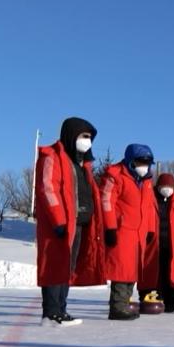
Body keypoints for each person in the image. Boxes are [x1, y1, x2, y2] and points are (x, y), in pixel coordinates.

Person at [33, 117, 106, 326]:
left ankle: (60, 310)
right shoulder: (53, 157)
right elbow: (48, 189)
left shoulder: (82, 163)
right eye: (84, 136)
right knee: (54, 266)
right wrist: (58, 220)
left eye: (90, 138)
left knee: (67, 268)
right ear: (71, 135)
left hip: (79, 223)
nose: (87, 141)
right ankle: (51, 313)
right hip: (60, 225)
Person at [101, 144, 158, 320]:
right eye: (141, 162)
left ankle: (124, 304)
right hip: (122, 231)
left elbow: (148, 207)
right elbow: (106, 201)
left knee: (133, 270)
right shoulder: (116, 175)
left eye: (148, 163)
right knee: (121, 269)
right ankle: (117, 307)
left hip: (139, 233)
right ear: (131, 161)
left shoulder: (146, 182)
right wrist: (110, 227)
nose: (145, 166)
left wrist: (149, 229)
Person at [146, 173, 174, 313]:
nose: (167, 189)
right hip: (154, 245)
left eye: (169, 186)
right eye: (164, 186)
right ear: (158, 186)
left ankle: (172, 301)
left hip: (173, 246)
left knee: (172, 273)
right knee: (156, 273)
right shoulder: (150, 199)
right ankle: (155, 297)